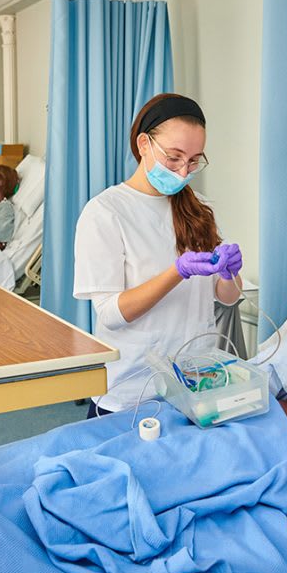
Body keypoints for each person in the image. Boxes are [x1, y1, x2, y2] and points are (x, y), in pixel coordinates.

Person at [74, 93, 243, 416]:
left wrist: (229, 272)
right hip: (132, 393)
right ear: (143, 144)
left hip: (194, 384)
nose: (183, 172)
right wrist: (176, 272)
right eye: (174, 157)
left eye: (194, 160)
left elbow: (227, 299)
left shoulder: (199, 208)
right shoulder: (105, 212)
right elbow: (111, 313)